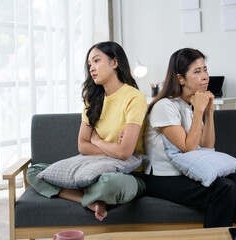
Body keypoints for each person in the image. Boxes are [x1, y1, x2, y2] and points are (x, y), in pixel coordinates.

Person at [27, 41, 147, 221]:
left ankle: (85, 190)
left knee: (109, 184)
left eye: (97, 61)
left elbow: (125, 153)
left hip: (127, 174)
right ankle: (87, 199)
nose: (92, 68)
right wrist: (113, 148)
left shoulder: (134, 98)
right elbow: (82, 146)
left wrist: (97, 141)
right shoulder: (92, 100)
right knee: (35, 171)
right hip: (91, 169)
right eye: (89, 64)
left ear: (115, 63)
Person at [144, 48, 236, 228]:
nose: (205, 76)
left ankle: (233, 232)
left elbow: (207, 146)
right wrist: (199, 111)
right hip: (162, 178)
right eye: (197, 71)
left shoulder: (189, 105)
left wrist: (209, 111)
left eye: (205, 69)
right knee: (225, 189)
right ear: (180, 78)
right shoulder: (165, 106)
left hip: (186, 172)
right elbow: (189, 148)